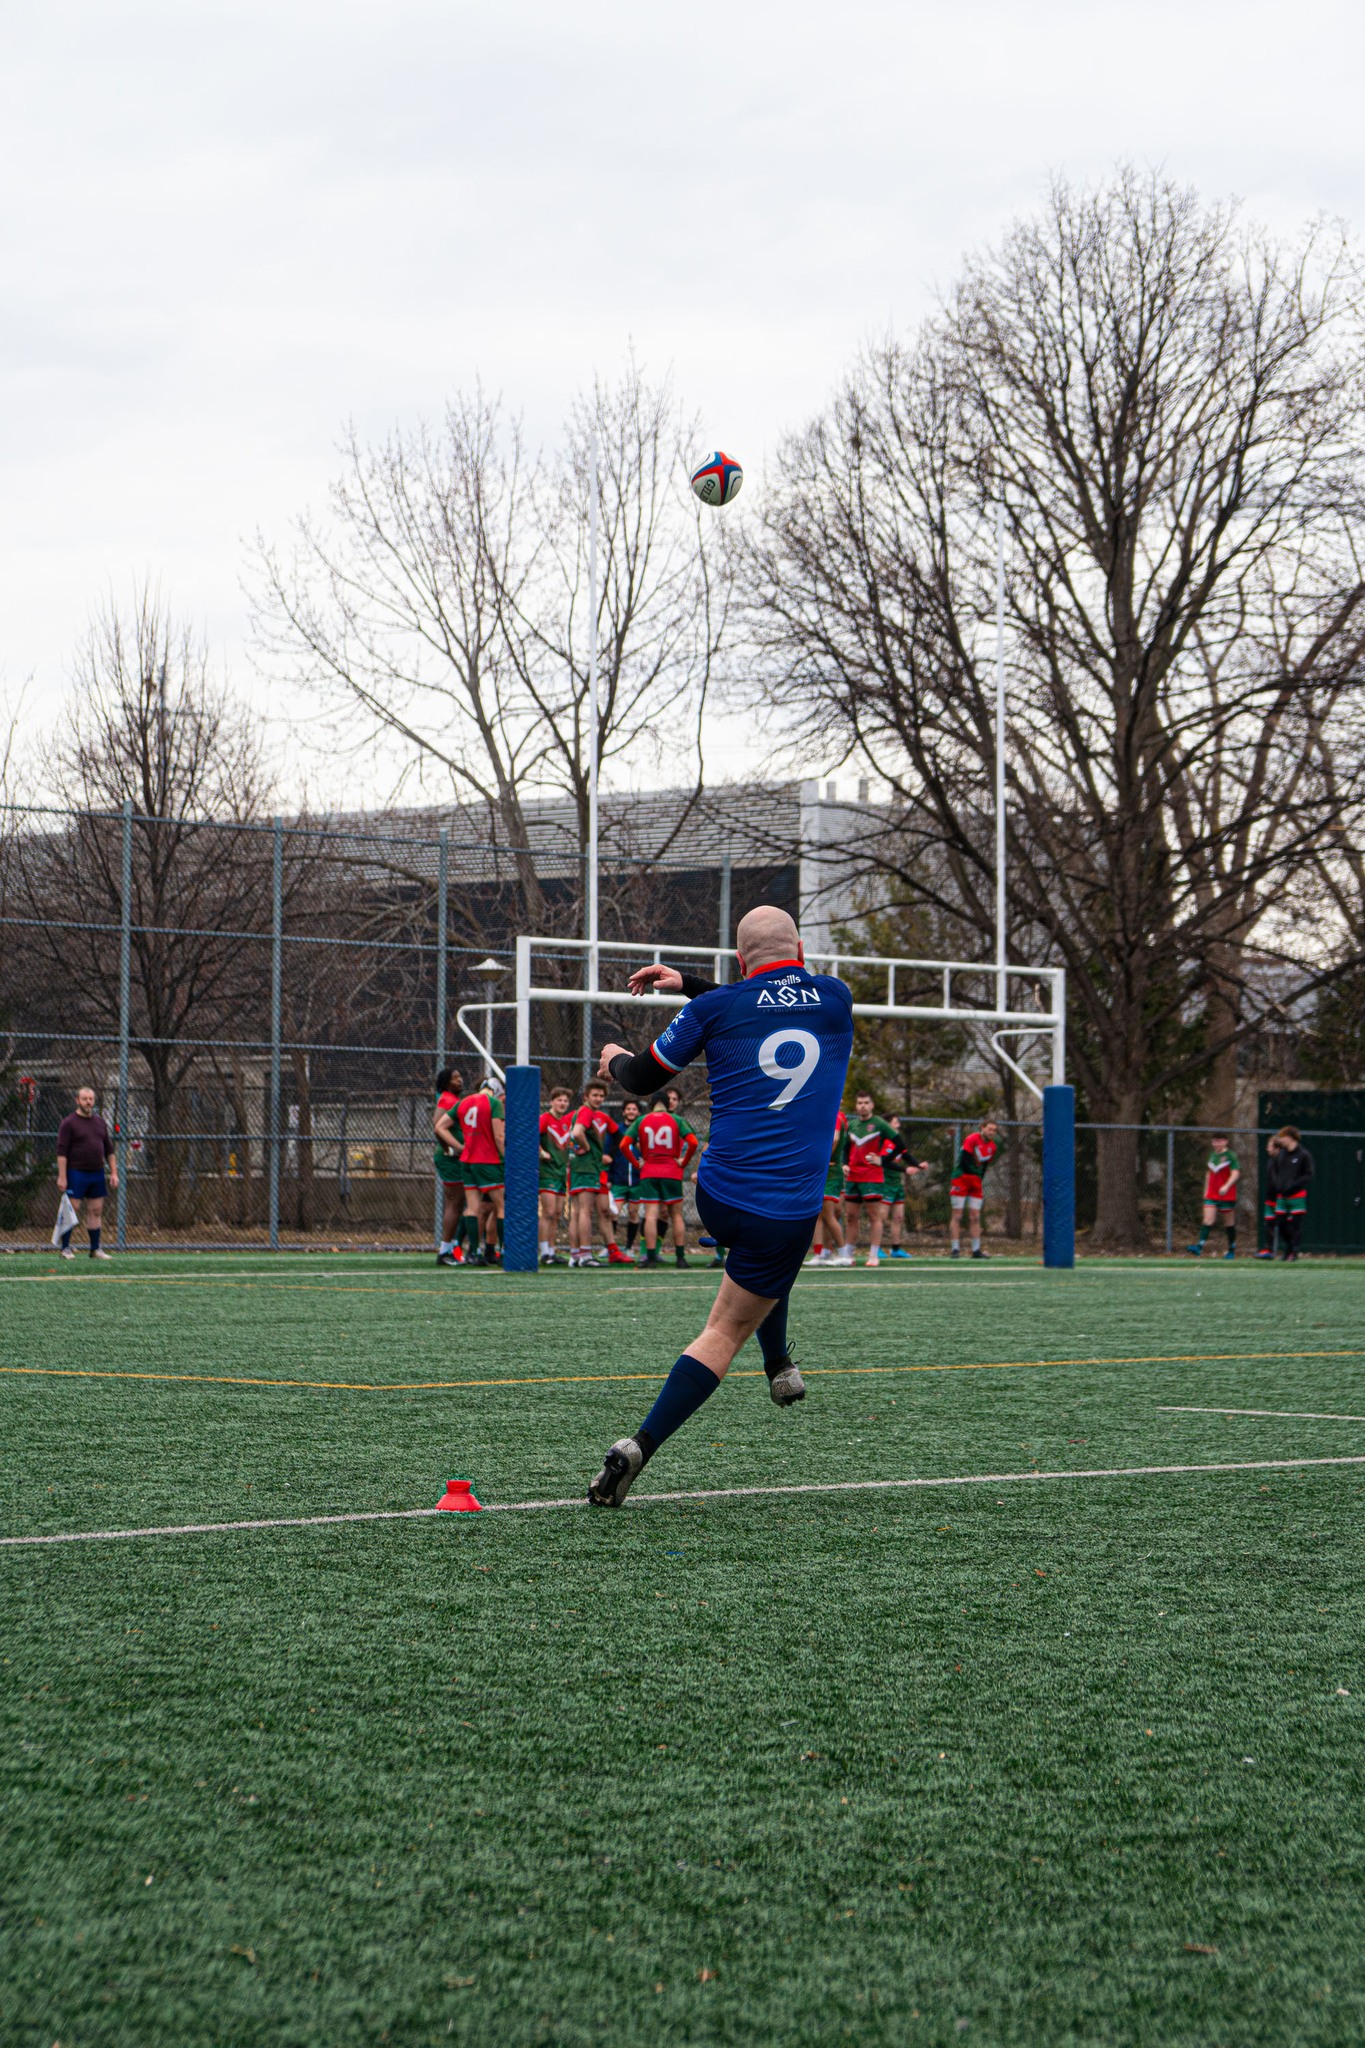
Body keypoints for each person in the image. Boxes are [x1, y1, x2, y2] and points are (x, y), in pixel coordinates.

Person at [586, 904, 853, 1507]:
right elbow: (774, 998)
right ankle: (639, 1445)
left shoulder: (713, 1008)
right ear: (803, 951)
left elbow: (640, 1081)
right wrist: (694, 988)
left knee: (763, 1264)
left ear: (738, 961)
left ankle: (780, 1365)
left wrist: (611, 1059)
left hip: (717, 1193)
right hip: (783, 1207)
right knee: (724, 1329)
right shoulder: (836, 998)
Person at [624, 1096, 699, 1267]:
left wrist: (637, 1164)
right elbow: (693, 1141)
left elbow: (624, 1144)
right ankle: (680, 1258)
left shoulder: (642, 1120)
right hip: (671, 1171)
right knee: (676, 1215)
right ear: (667, 1104)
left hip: (649, 1171)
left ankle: (650, 1258)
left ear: (651, 1105)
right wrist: (683, 1161)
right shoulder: (676, 1120)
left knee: (651, 1214)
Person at [841, 1090, 904, 1267]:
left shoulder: (879, 1124)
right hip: (853, 1177)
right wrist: (845, 1164)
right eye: (860, 1103)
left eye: (866, 1102)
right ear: (856, 1105)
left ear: (872, 1105)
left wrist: (882, 1160)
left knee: (874, 1216)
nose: (863, 1106)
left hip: (872, 1177)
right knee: (851, 1216)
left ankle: (874, 1254)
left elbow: (900, 1145)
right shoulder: (851, 1125)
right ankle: (848, 1254)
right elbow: (846, 1149)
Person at [569, 1081, 629, 1266]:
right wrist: (588, 1148)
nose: (598, 1098)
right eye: (594, 1095)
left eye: (601, 1096)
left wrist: (607, 1155)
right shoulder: (586, 1112)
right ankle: (585, 1255)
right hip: (587, 1167)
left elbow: (620, 1137)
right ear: (586, 1096)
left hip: (586, 1168)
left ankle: (576, 1255)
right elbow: (577, 1133)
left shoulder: (599, 1116)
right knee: (585, 1212)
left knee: (583, 1211)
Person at [55, 1085, 117, 1261]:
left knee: (96, 1210)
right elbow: (61, 1152)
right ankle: (65, 1248)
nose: (88, 1102)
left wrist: (113, 1173)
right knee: (72, 1208)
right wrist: (62, 1176)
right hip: (76, 1172)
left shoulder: (100, 1122)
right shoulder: (68, 1123)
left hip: (96, 1173)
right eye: (85, 1099)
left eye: (91, 1099)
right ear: (77, 1100)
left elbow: (109, 1150)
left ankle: (95, 1249)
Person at [456, 1077, 505, 1265]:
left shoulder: (464, 1102)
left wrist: (459, 1147)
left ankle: (473, 1252)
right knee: (500, 1206)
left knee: (475, 1207)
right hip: (488, 1161)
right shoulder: (493, 1104)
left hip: (468, 1159)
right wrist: (508, 1158)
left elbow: (440, 1126)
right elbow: (499, 1136)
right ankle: (504, 1250)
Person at [1260, 1125, 1314, 1262]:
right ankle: (1289, 1246)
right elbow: (1276, 1171)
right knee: (1280, 1223)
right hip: (1282, 1196)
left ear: (1290, 1138)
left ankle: (1293, 1252)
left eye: (1282, 1137)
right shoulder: (1282, 1154)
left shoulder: (1303, 1155)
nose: (1280, 1140)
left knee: (1296, 1225)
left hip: (1297, 1196)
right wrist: (1280, 1185)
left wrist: (1294, 1185)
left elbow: (1308, 1175)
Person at [949, 1119, 999, 1259]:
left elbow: (983, 1166)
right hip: (961, 1178)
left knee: (975, 1217)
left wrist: (978, 1180)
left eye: (994, 1130)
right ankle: (955, 1249)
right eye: (990, 1129)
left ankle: (976, 1250)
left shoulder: (992, 1146)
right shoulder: (972, 1139)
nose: (992, 1132)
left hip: (975, 1182)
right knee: (957, 1215)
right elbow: (964, 1160)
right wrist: (971, 1177)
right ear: (982, 1127)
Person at [538, 1085, 576, 1264]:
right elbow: (532, 1136)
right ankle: (544, 1252)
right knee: (548, 1212)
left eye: (565, 1101)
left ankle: (552, 1251)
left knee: (557, 1213)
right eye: (559, 1100)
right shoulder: (545, 1119)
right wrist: (541, 1152)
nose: (562, 1103)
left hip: (562, 1172)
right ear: (552, 1101)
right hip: (547, 1172)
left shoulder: (567, 1122)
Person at [432, 1066, 466, 1266]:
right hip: (451, 1159)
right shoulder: (446, 1099)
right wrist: (452, 1148)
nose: (459, 1080)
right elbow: (437, 1126)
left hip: (455, 1159)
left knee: (461, 1203)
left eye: (460, 1076)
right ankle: (445, 1250)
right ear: (446, 1082)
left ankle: (453, 1247)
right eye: (454, 1078)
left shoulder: (454, 1100)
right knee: (454, 1203)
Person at [806, 1108, 848, 1265]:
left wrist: (823, 1159)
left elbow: (835, 1138)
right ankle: (820, 1253)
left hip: (830, 1172)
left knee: (829, 1214)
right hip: (825, 1172)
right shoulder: (828, 1113)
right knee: (818, 1215)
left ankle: (845, 1254)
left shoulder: (836, 1114)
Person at [1187, 1136, 1239, 1259]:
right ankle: (1199, 1247)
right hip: (1212, 1194)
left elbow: (1236, 1173)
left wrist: (1226, 1186)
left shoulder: (1230, 1155)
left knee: (1229, 1223)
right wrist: (1206, 1191)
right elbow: (1209, 1174)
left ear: (1225, 1141)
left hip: (1226, 1195)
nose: (1217, 1143)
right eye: (1215, 1141)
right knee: (1208, 1219)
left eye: (1220, 1140)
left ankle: (1231, 1249)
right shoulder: (1211, 1155)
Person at [883, 1113, 927, 1258]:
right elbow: (883, 1162)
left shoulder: (897, 1142)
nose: (898, 1125)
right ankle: (875, 1247)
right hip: (884, 1182)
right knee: (880, 1217)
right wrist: (904, 1170)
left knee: (898, 1217)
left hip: (896, 1183)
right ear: (887, 1125)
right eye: (895, 1122)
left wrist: (918, 1165)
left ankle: (895, 1249)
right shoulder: (882, 1141)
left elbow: (906, 1156)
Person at [607, 1099, 644, 1256]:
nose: (631, 1111)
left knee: (634, 1214)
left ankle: (629, 1247)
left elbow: (648, 1151)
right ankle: (610, 1247)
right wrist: (609, 1176)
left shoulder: (643, 1131)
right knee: (613, 1212)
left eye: (634, 1109)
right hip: (618, 1180)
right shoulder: (616, 1131)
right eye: (628, 1109)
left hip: (637, 1181)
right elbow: (608, 1155)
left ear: (638, 1113)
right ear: (623, 1112)